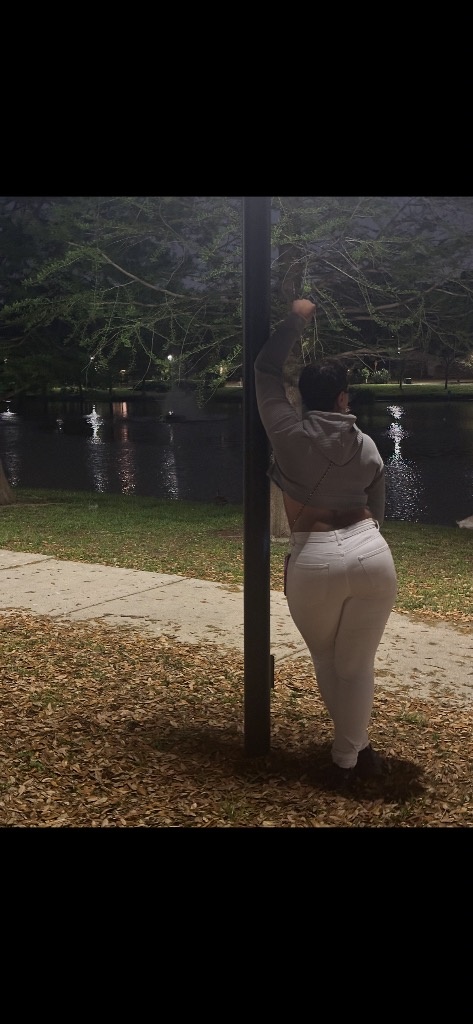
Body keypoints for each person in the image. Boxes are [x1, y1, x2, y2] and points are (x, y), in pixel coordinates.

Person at [254, 297, 398, 787]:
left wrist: (296, 318)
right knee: (356, 665)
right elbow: (378, 507)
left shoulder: (288, 434)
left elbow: (265, 370)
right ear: (342, 399)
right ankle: (354, 755)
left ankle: (348, 757)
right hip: (372, 554)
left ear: (305, 397)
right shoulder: (367, 446)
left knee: (328, 659)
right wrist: (366, 542)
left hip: (314, 557)